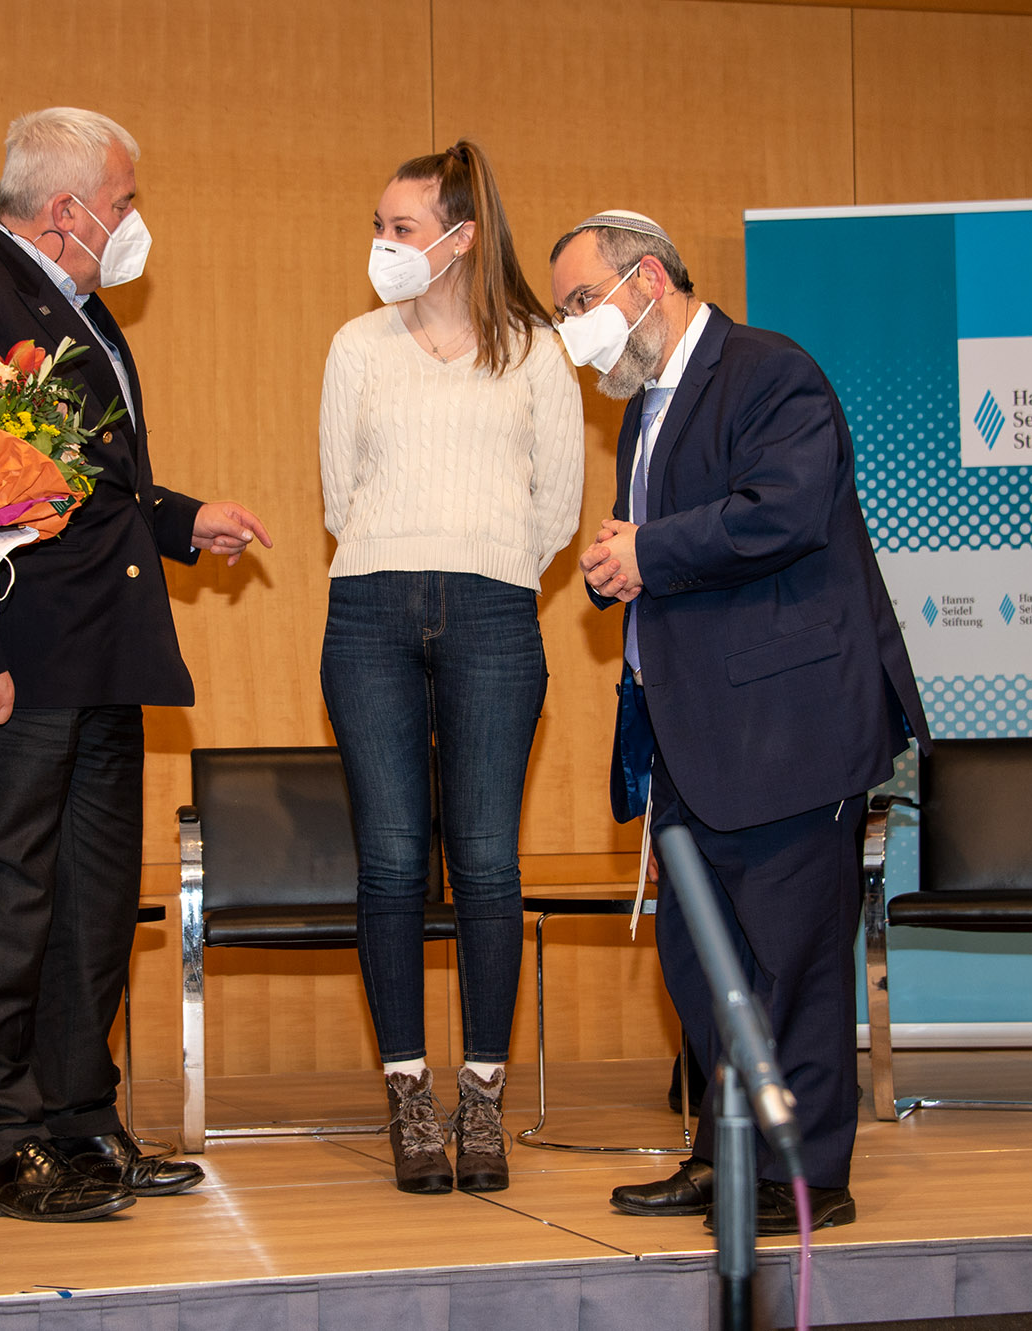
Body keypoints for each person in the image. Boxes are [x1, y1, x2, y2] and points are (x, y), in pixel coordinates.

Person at [0, 107, 271, 1220]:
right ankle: (4, 1140)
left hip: (100, 652)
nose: (133, 218)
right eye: (125, 200)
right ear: (68, 209)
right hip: (16, 660)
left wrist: (181, 520)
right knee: (10, 897)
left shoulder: (70, 305)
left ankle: (79, 1120)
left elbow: (75, 474)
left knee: (92, 905)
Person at [548, 211, 929, 1234]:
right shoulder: (646, 408)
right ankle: (726, 1156)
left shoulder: (768, 371)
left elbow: (784, 509)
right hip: (693, 734)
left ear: (649, 280)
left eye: (581, 302)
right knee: (703, 963)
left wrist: (650, 550)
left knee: (791, 962)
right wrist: (618, 564)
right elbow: (667, 547)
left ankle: (803, 1176)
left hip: (788, 724)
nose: (573, 328)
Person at [320, 141, 583, 1194]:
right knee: (389, 859)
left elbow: (556, 508)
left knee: (484, 859)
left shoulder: (537, 352)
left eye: (402, 228)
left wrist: (482, 561)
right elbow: (339, 495)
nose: (382, 243)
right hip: (369, 606)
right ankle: (406, 1095)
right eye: (378, 225)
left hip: (493, 608)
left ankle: (481, 1095)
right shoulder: (355, 346)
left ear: (462, 237)